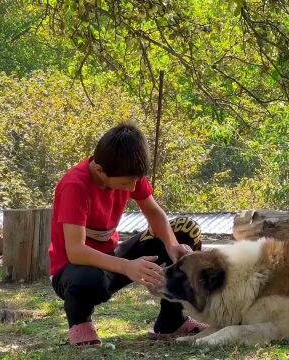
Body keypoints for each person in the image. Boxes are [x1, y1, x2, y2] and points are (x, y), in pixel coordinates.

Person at [47, 122, 207, 346]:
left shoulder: (129, 170)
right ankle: (80, 324)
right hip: (73, 270)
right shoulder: (74, 185)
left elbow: (154, 212)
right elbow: (75, 252)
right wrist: (127, 266)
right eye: (125, 183)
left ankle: (172, 321)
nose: (132, 188)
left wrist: (172, 246)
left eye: (135, 181)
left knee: (184, 230)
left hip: (113, 256)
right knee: (87, 279)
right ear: (101, 170)